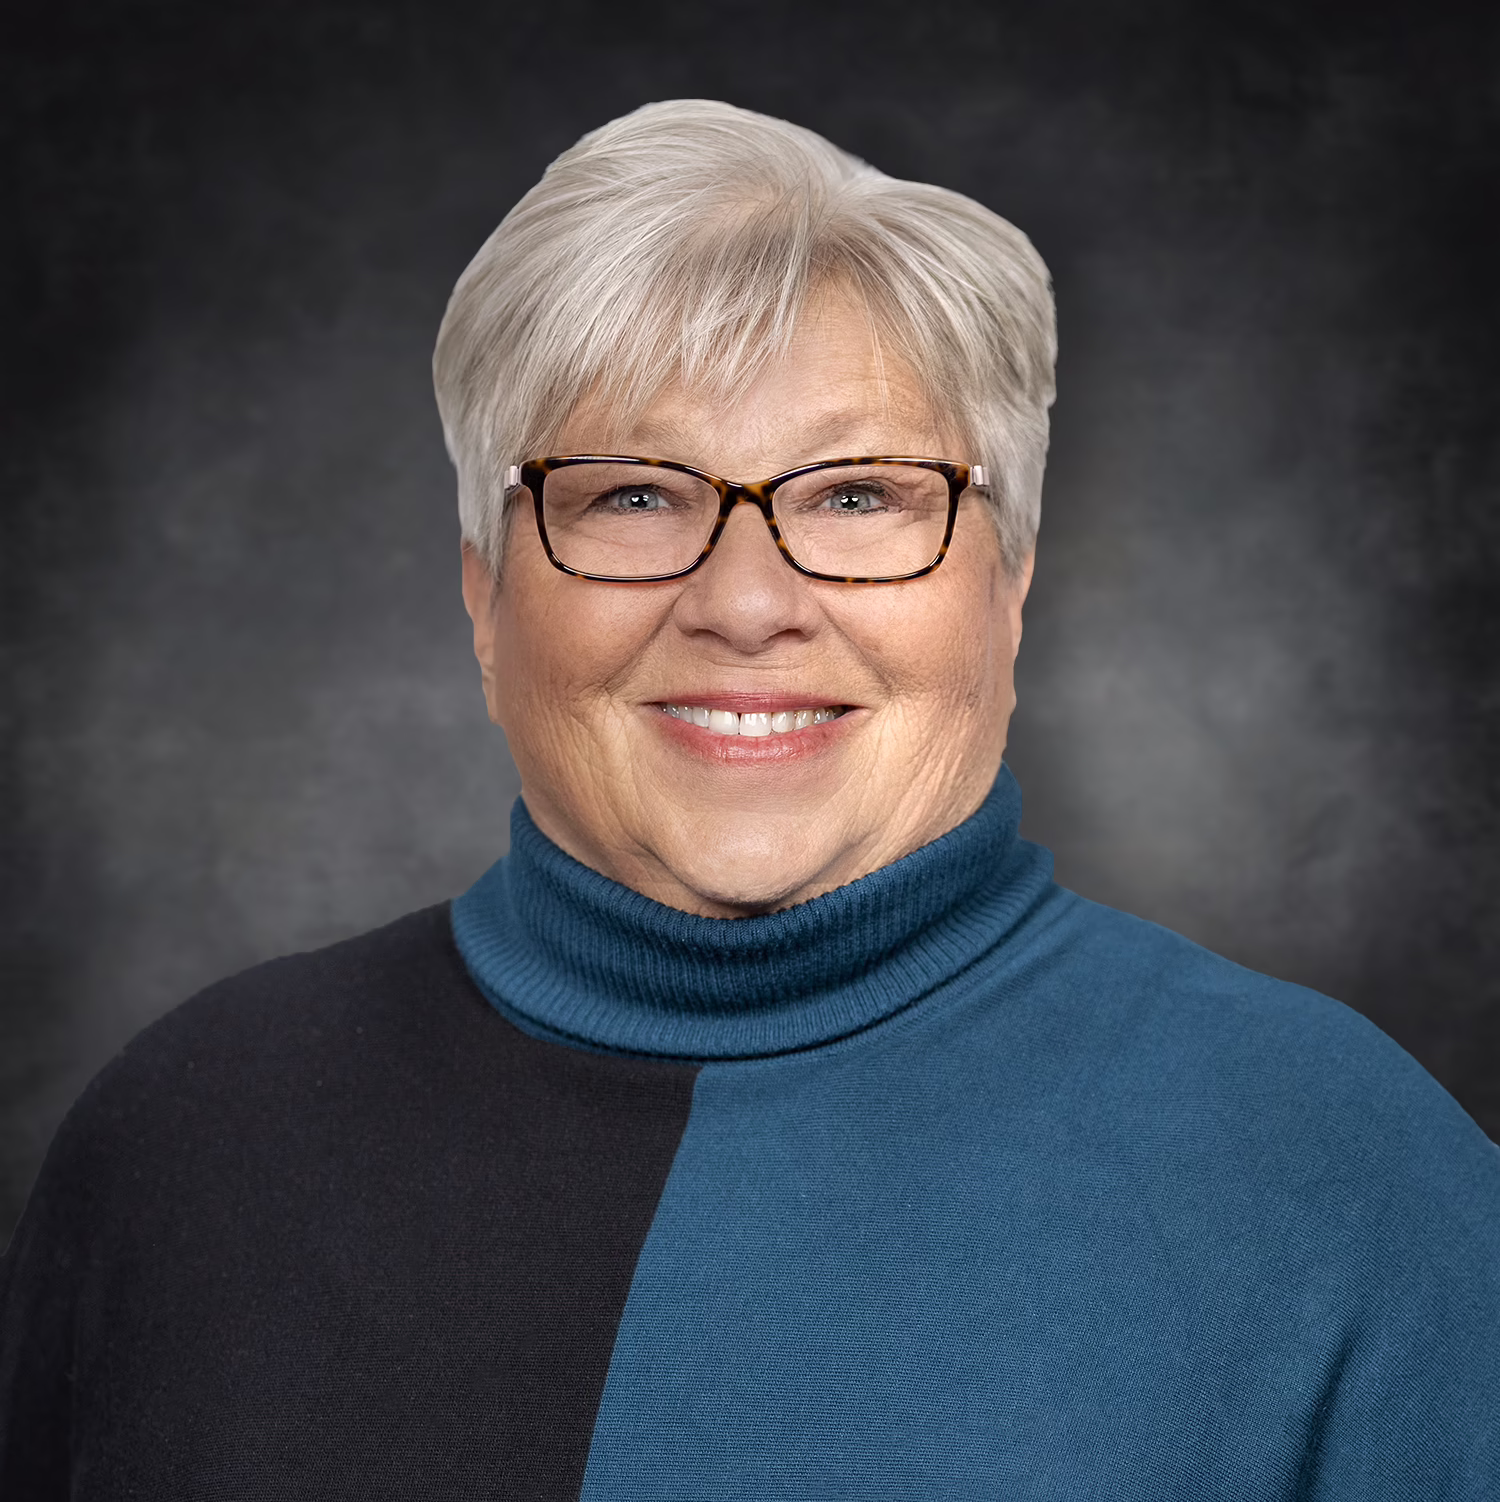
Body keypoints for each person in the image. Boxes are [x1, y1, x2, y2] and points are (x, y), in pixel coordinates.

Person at [2, 98, 1497, 1500]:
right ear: (483, 597)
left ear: (1011, 587)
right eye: (632, 493)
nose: (745, 602)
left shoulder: (1353, 1181)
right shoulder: (182, 1141)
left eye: (858, 495)